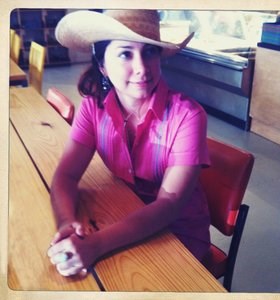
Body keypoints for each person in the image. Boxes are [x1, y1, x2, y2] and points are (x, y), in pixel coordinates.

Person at [47, 9, 211, 277]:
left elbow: (169, 204)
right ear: (102, 65)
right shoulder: (93, 109)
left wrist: (96, 243)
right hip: (121, 212)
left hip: (177, 235)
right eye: (125, 53)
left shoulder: (187, 116)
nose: (142, 68)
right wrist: (67, 222)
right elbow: (65, 175)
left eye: (149, 52)